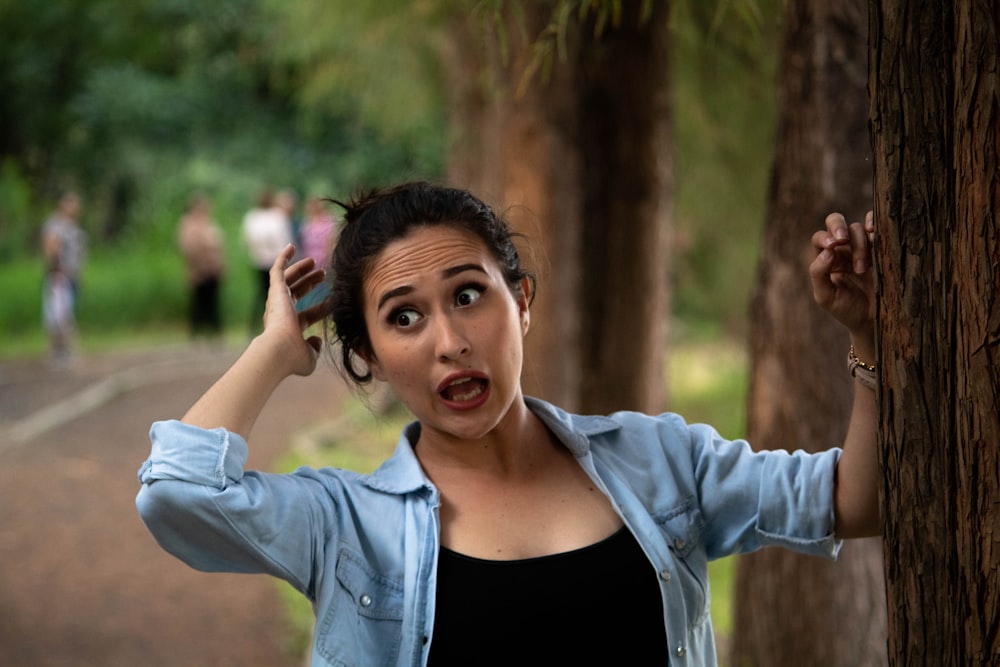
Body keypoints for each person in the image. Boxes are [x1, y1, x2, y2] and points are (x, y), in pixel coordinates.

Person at [137, 182, 878, 666]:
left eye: (468, 294)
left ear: (521, 300)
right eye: (403, 317)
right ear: (367, 353)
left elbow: (854, 500)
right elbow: (176, 490)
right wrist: (273, 352)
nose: (450, 340)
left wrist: (868, 339)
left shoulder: (660, 461)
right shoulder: (348, 526)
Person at [41, 191, 86, 363]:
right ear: (63, 204)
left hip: (72, 275)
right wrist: (56, 270)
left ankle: (63, 349)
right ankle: (59, 350)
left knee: (67, 311)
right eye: (71, 203)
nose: (75, 208)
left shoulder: (72, 225)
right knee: (59, 313)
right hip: (60, 275)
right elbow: (50, 248)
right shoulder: (55, 224)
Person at [241, 188, 294, 332]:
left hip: (260, 259)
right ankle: (273, 324)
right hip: (272, 260)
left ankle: (260, 324)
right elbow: (284, 239)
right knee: (274, 291)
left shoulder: (253, 217)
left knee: (263, 292)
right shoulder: (277, 217)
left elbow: (247, 239)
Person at [177, 194, 226, 339]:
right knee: (198, 302)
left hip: (212, 269)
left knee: (213, 301)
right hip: (198, 269)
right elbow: (187, 247)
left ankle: (214, 330)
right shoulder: (188, 224)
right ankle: (196, 330)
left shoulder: (210, 224)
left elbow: (219, 246)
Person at [298, 196, 337, 268]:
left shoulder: (327, 220)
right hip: (308, 258)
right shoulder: (307, 220)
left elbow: (330, 241)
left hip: (323, 260)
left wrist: (327, 258)